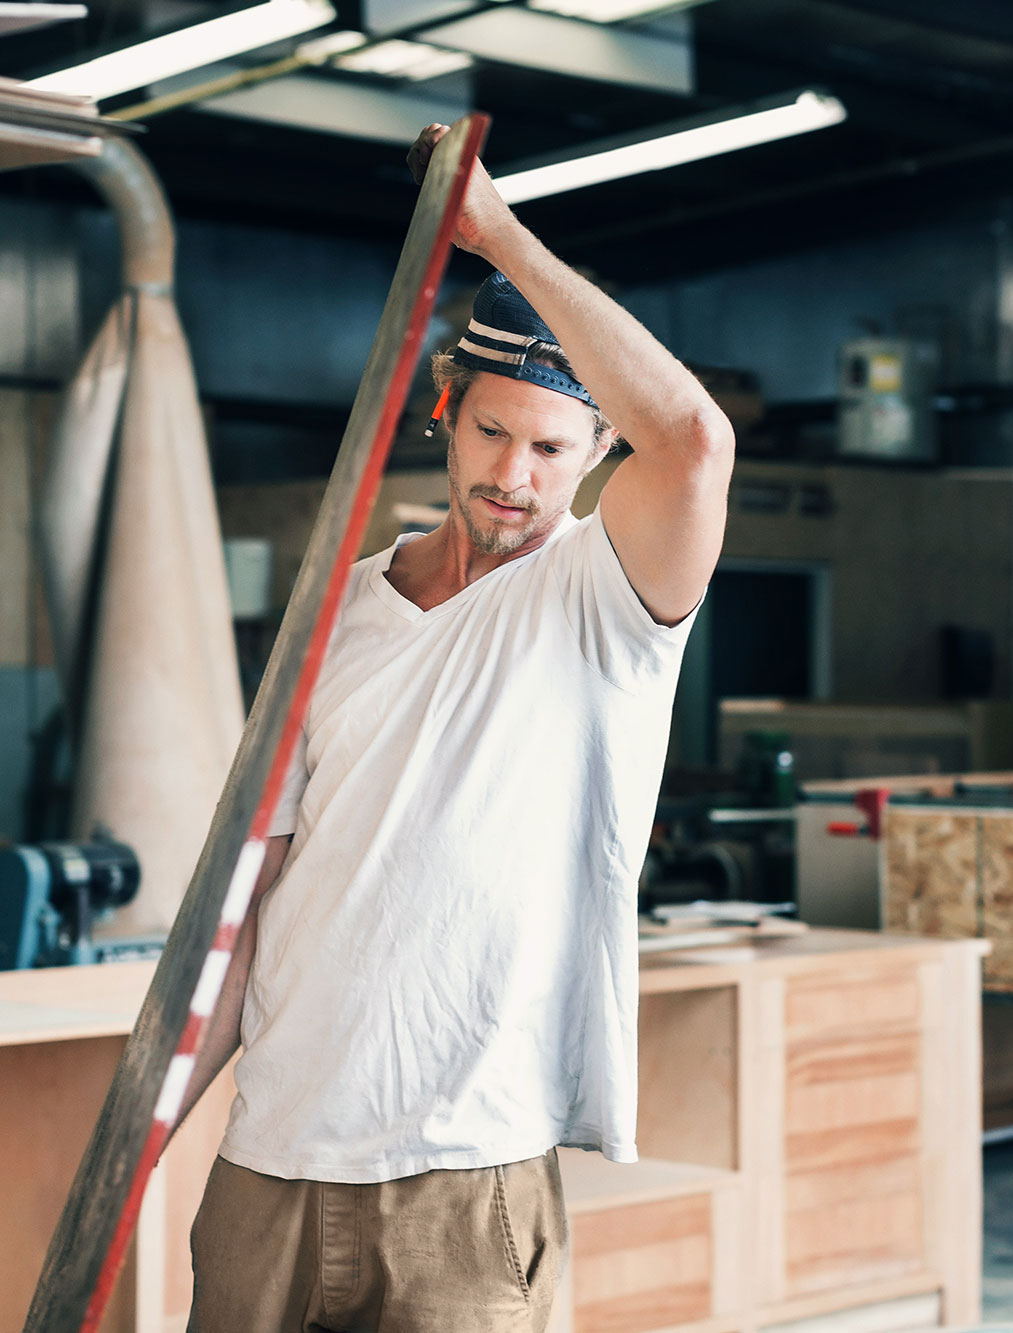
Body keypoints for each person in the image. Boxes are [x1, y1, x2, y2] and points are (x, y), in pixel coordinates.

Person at [177, 122, 735, 1331]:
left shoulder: (605, 602)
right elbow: (255, 892)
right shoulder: (333, 612)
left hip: (466, 1178)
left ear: (597, 451)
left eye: (550, 448)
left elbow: (696, 443)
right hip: (269, 1160)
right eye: (490, 431)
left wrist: (496, 236)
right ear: (443, 406)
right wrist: (144, 1132)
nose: (513, 475)